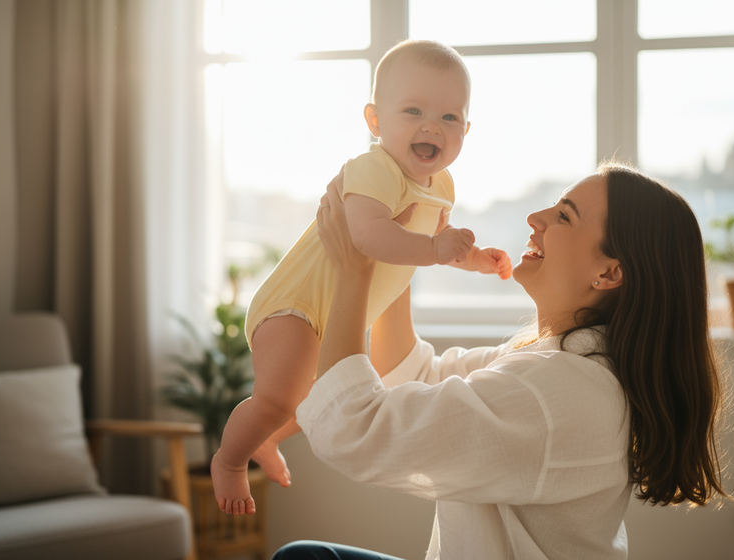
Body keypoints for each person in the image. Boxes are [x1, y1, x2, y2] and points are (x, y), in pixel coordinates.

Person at [274, 162, 733, 559]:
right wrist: (401, 249)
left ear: (609, 272)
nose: (535, 218)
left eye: (563, 217)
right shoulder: (562, 359)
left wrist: (354, 271)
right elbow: (412, 374)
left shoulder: (556, 391)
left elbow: (354, 429)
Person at [211, 39, 513, 515]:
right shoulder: (376, 169)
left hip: (329, 318)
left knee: (309, 400)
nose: (432, 126)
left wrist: (469, 257)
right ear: (375, 121)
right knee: (277, 398)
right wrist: (435, 249)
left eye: (449, 118)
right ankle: (229, 461)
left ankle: (266, 442)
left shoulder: (442, 185)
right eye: (413, 110)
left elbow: (428, 237)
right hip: (295, 306)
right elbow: (369, 237)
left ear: (466, 129)